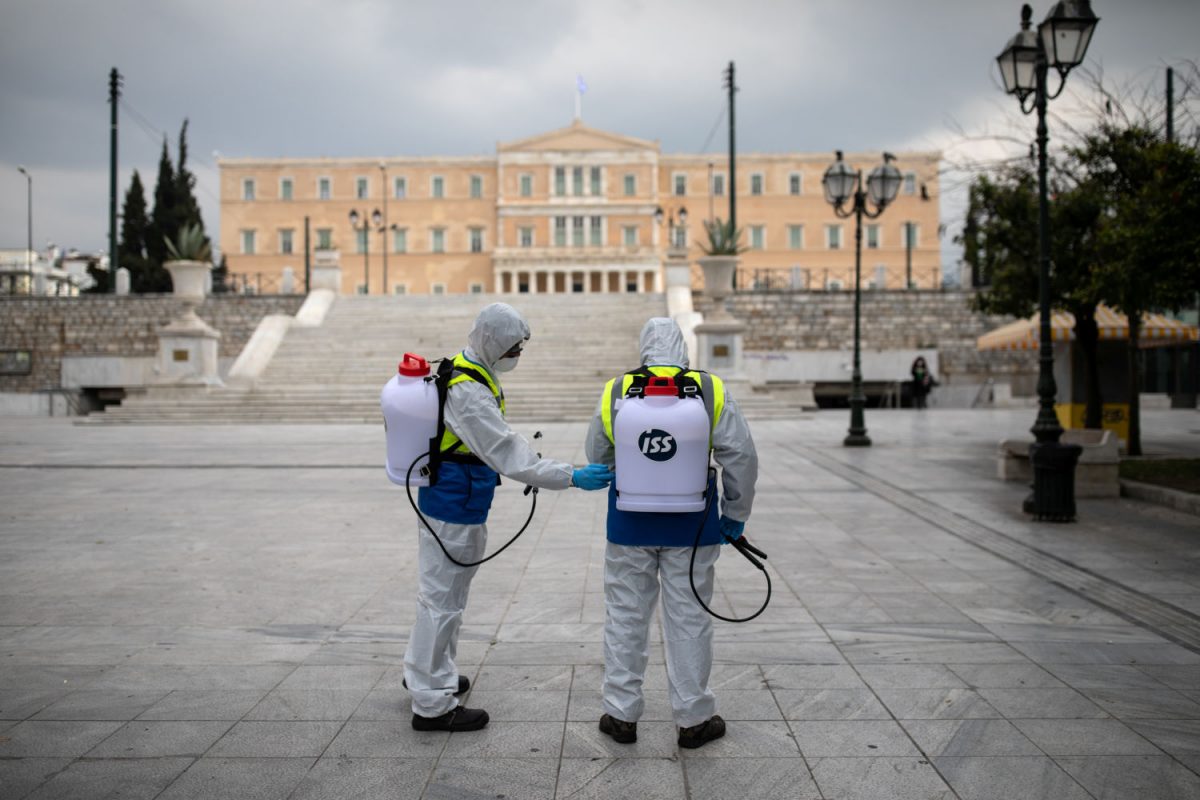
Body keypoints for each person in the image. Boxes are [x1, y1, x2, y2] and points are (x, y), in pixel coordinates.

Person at [404, 302, 613, 732]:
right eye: (513, 347)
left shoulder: (471, 368)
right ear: (495, 342)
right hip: (452, 504)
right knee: (441, 601)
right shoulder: (468, 390)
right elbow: (505, 452)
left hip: (459, 498)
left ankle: (430, 674)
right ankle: (431, 703)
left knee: (445, 597)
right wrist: (569, 475)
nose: (517, 354)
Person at [584, 317, 758, 749]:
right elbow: (741, 455)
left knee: (626, 617)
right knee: (689, 618)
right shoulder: (710, 390)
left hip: (629, 525)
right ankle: (694, 719)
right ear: (682, 348)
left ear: (644, 347)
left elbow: (597, 454)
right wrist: (735, 514)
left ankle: (621, 715)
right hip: (693, 527)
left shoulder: (617, 390)